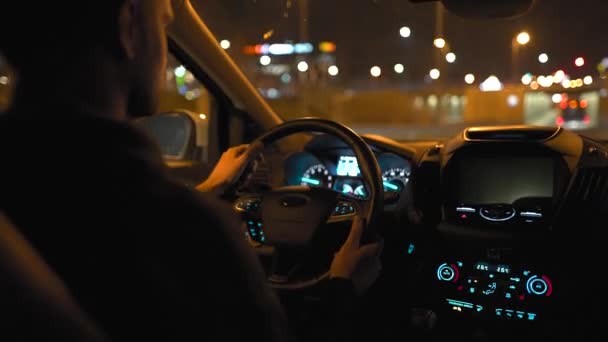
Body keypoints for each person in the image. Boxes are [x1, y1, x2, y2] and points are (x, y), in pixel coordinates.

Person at [0, 0, 381, 341]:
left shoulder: (23, 190)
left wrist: (208, 189)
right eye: (164, 25)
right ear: (129, 27)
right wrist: (341, 288)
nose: (165, 50)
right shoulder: (190, 237)